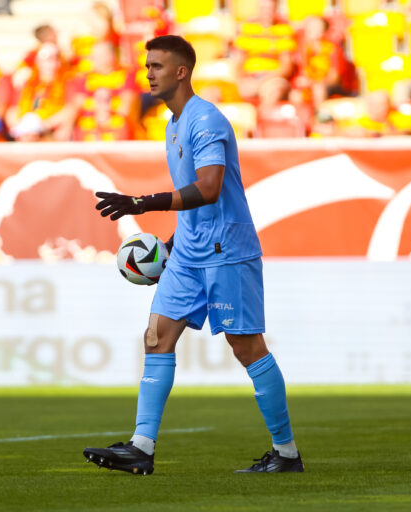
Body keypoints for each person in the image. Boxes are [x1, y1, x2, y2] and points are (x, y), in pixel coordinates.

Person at [83, 35, 303, 475]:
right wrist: (169, 243)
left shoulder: (206, 121)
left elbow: (209, 188)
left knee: (247, 348)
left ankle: (286, 453)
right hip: (188, 251)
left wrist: (142, 203)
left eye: (157, 66)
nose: (149, 73)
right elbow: (193, 201)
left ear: (181, 71)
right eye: (147, 65)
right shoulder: (173, 124)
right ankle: (141, 447)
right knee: (156, 336)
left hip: (226, 250)